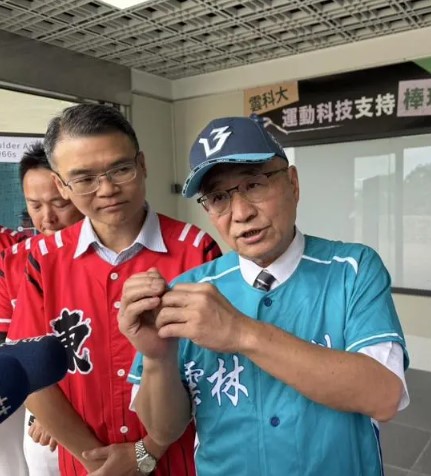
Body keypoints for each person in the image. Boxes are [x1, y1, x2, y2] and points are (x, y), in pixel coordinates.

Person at [120, 116, 409, 476]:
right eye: (219, 198)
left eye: (254, 184)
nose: (241, 214)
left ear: (293, 184)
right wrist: (156, 358)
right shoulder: (187, 293)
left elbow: (384, 397)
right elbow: (164, 431)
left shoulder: (352, 269)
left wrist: (241, 332)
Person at [8, 104, 222, 476]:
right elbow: (30, 374)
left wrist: (146, 452)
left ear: (142, 164)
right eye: (84, 178)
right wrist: (96, 460)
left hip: (179, 462)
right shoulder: (43, 260)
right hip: (87, 467)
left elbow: (214, 368)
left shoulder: (196, 251)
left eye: (120, 169)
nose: (107, 189)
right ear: (62, 185)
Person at [0, 141, 84, 476]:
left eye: (59, 204)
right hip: (38, 409)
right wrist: (47, 412)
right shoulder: (15, 259)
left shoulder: (103, 258)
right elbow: (14, 348)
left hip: (98, 399)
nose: (46, 218)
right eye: (34, 205)